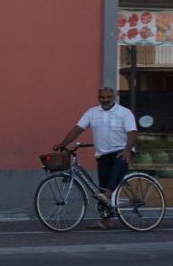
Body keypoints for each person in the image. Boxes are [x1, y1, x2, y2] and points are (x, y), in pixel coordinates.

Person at [56, 86, 139, 229]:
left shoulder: (124, 112)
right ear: (98, 98)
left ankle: (108, 194)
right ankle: (106, 221)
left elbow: (132, 132)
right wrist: (63, 144)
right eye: (102, 97)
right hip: (103, 154)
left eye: (108, 97)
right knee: (102, 186)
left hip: (121, 151)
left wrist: (127, 149)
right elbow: (78, 128)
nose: (105, 100)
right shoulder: (92, 112)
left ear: (114, 97)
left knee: (113, 177)